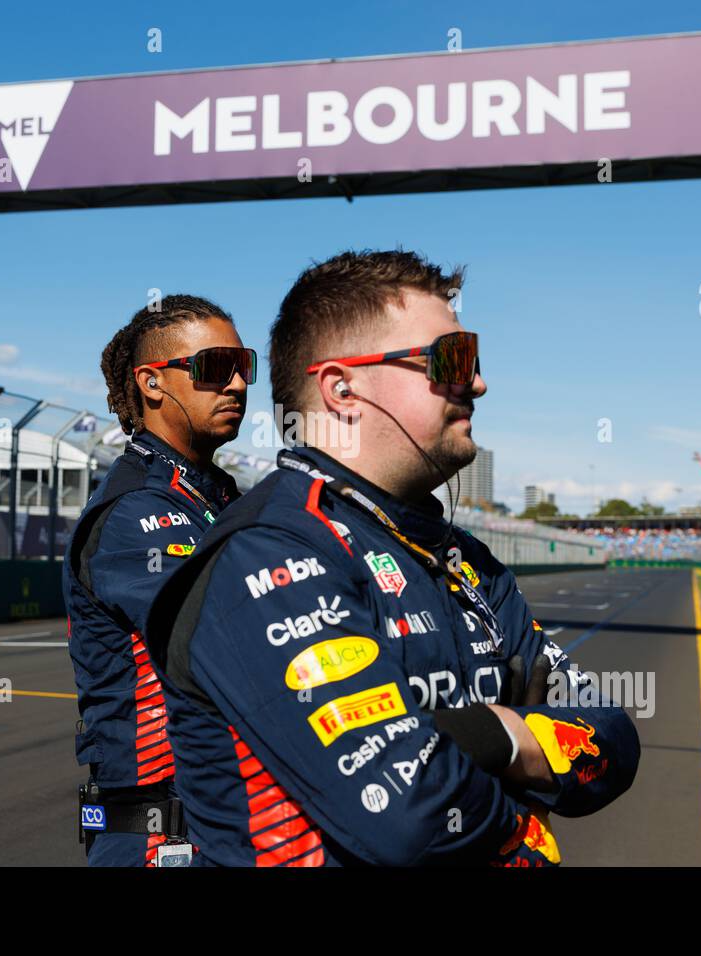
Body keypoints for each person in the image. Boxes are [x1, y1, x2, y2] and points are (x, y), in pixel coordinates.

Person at [145, 250, 639, 866]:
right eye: (452, 360)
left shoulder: (467, 560)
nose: (478, 382)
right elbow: (410, 814)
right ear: (342, 388)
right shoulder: (266, 553)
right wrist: (518, 739)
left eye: (475, 360)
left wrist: (485, 737)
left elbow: (613, 737)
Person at [64, 294, 254, 866]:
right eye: (216, 368)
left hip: (223, 828)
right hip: (158, 840)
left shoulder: (217, 497)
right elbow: (236, 643)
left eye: (245, 366)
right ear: (152, 383)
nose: (239, 384)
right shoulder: (134, 513)